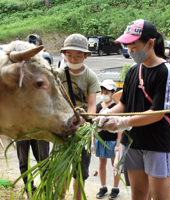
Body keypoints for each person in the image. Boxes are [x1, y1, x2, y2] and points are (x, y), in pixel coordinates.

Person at [94, 19, 170, 200]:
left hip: (157, 143)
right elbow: (124, 104)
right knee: (138, 194)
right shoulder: (133, 70)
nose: (130, 51)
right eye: (128, 47)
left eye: (134, 46)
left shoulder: (165, 70)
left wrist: (124, 122)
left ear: (149, 43)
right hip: (133, 142)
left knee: (160, 196)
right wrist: (106, 114)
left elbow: (158, 113)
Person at [57, 33, 100, 200]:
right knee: (60, 168)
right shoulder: (59, 74)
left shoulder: (90, 76)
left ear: (86, 56)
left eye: (78, 56)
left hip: (82, 130)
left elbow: (92, 104)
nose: (73, 59)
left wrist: (86, 121)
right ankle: (59, 196)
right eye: (69, 56)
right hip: (62, 129)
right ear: (64, 55)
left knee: (80, 172)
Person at [16, 34, 50, 198]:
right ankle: (29, 190)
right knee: (24, 162)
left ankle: (46, 188)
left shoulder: (45, 63)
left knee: (44, 159)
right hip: (21, 125)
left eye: (33, 44)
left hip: (40, 124)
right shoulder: (17, 70)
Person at [91, 79, 121, 199]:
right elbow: (93, 124)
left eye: (107, 91)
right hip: (100, 139)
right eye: (102, 91)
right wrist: (93, 140)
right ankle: (103, 187)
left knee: (115, 164)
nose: (103, 94)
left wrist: (118, 144)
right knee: (101, 163)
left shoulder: (117, 107)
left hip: (113, 140)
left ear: (113, 92)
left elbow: (120, 126)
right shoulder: (98, 106)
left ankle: (115, 188)